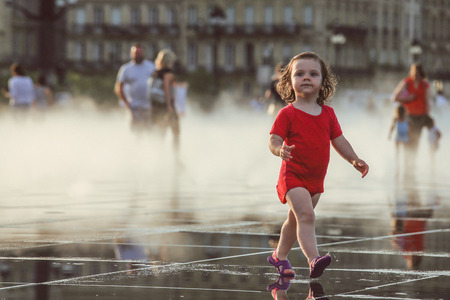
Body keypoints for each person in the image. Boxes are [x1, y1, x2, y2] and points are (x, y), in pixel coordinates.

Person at [267, 52, 369, 278]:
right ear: (289, 81)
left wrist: (354, 158)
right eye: (299, 73)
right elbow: (273, 139)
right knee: (307, 217)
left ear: (323, 81)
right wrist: (279, 150)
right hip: (292, 176)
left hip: (315, 180)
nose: (306, 78)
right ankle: (314, 259)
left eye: (313, 74)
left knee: (295, 220)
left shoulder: (328, 114)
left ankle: (279, 256)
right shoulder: (288, 113)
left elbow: (339, 140)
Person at [392, 64, 430, 167]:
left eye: (417, 74)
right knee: (408, 139)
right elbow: (395, 97)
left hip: (421, 117)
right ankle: (406, 162)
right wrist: (408, 99)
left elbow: (427, 101)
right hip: (408, 116)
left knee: (416, 140)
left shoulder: (424, 84)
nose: (415, 76)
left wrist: (427, 116)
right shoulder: (406, 82)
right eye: (413, 73)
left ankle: (412, 162)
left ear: (421, 74)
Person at [115, 42, 155, 130]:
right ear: (131, 54)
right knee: (136, 131)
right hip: (134, 106)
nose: (138, 55)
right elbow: (119, 87)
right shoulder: (126, 68)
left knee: (149, 130)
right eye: (136, 53)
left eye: (140, 53)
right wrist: (125, 102)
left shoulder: (151, 66)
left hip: (148, 106)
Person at [147, 49, 180, 151]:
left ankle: (159, 158)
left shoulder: (155, 72)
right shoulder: (167, 72)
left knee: (161, 133)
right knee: (176, 132)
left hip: (156, 107)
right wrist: (170, 107)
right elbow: (167, 88)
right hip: (166, 106)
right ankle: (176, 158)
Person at [388, 105, 412, 175]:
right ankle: (399, 164)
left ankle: (404, 164)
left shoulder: (407, 120)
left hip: (403, 137)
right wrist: (390, 134)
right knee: (400, 151)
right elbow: (392, 127)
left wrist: (390, 134)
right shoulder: (396, 119)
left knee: (402, 151)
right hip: (399, 137)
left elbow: (410, 129)